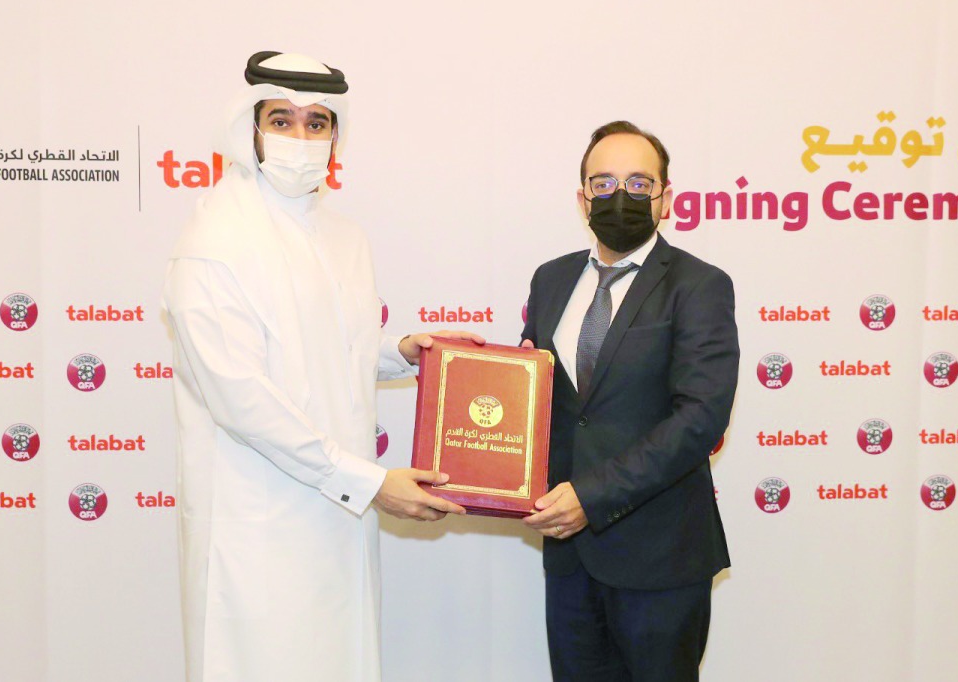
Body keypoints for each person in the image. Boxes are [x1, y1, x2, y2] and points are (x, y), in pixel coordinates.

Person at [162, 51, 478, 682]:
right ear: (250, 129)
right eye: (281, 120)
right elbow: (241, 399)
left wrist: (403, 353)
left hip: (338, 515)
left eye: (317, 123)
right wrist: (367, 482)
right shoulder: (213, 242)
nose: (300, 137)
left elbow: (329, 349)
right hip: (259, 523)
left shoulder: (343, 236)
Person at [520, 120, 739, 681]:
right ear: (582, 198)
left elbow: (700, 418)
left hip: (660, 556)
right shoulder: (550, 280)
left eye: (640, 184)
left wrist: (591, 497)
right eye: (605, 183)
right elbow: (536, 397)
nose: (622, 196)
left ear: (667, 199)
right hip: (570, 558)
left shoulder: (699, 285)